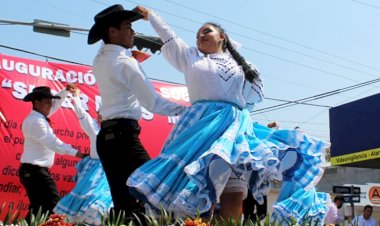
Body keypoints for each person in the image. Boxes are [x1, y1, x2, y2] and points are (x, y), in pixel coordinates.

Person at [127, 6, 330, 223]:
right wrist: (152, 17)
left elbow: (249, 101)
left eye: (206, 32)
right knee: (196, 188)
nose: (200, 36)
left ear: (222, 37)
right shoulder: (190, 57)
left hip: (233, 129)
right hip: (200, 127)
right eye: (197, 35)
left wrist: (243, 124)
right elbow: (170, 36)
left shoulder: (244, 66)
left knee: (234, 194)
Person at [87, 4, 186, 222]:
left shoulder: (100, 58)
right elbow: (154, 103)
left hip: (107, 138)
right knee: (154, 189)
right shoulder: (125, 61)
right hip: (124, 138)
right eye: (128, 27)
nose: (134, 32)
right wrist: (188, 110)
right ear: (113, 32)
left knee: (123, 202)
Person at [19, 85, 85, 221]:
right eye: (47, 102)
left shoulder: (39, 116)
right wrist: (78, 154)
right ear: (37, 103)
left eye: (50, 102)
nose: (50, 105)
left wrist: (65, 91)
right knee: (54, 204)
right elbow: (53, 142)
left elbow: (56, 104)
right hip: (35, 172)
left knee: (38, 208)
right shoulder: (36, 121)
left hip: (34, 172)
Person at [53, 88, 112, 225]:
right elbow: (81, 114)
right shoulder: (94, 128)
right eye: (101, 114)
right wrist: (76, 97)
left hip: (109, 171)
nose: (102, 116)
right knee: (87, 194)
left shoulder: (118, 131)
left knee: (101, 200)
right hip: (95, 168)